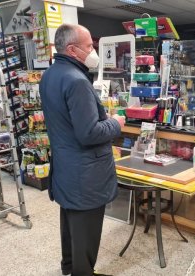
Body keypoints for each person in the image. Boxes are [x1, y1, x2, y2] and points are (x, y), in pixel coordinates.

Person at [39, 24, 125, 276]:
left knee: (70, 221)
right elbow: (89, 133)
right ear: (73, 49)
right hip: (85, 172)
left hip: (66, 167)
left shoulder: (51, 75)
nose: (93, 50)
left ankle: (69, 267)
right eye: (89, 46)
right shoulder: (77, 81)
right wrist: (115, 123)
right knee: (87, 228)